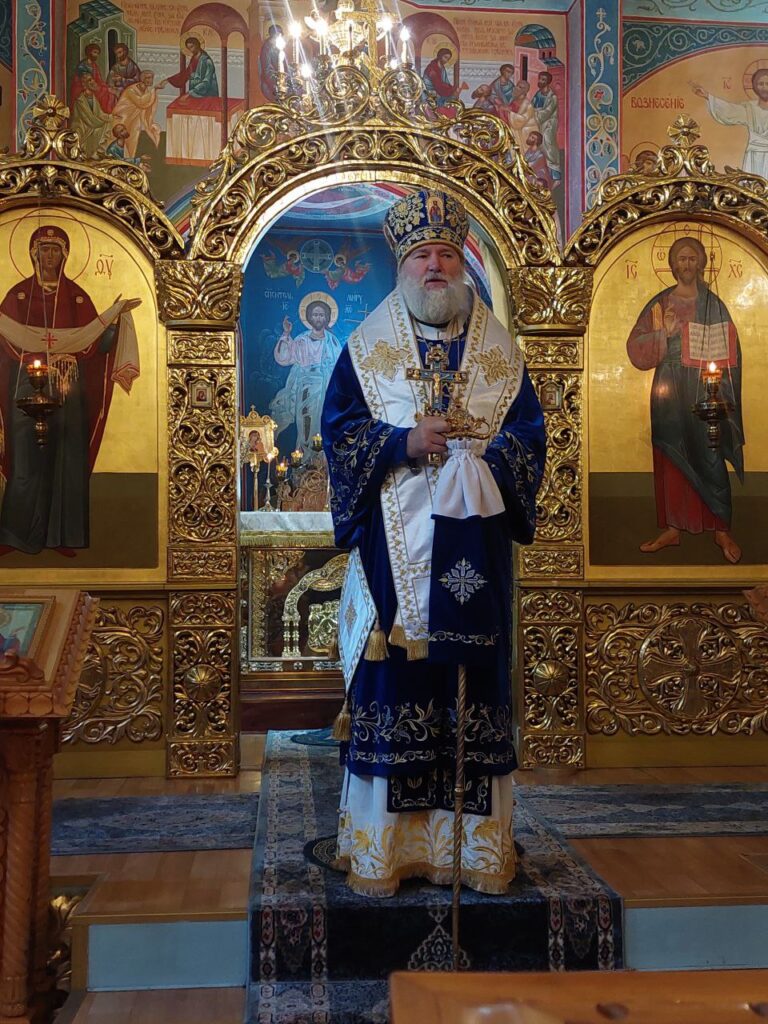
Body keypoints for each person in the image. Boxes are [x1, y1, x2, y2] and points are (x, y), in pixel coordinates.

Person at [321, 189, 546, 897]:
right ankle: (386, 851)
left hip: (474, 553)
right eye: (422, 254)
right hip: (393, 565)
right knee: (399, 682)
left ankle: (471, 849)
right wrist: (402, 442)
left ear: (461, 265)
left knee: (471, 687)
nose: (435, 265)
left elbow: (531, 438)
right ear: (404, 266)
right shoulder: (366, 351)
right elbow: (340, 433)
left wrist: (487, 459)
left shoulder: (500, 355)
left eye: (447, 253)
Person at [0, 226, 142, 555]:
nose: (49, 255)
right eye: (43, 249)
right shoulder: (17, 295)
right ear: (33, 253)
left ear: (65, 255)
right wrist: (35, 356)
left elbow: (94, 344)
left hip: (68, 384)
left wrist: (113, 324)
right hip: (26, 384)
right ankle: (15, 536)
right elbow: (6, 341)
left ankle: (62, 537)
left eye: (55, 249)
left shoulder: (78, 297)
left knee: (68, 457)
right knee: (25, 458)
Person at [626, 236, 744, 563]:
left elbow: (731, 348)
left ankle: (720, 528)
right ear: (673, 264)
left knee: (710, 451)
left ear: (701, 263)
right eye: (682, 259)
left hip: (704, 386)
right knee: (670, 453)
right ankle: (673, 528)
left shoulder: (713, 304)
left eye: (693, 258)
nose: (687, 264)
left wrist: (716, 360)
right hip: (668, 386)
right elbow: (635, 348)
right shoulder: (660, 303)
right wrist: (664, 333)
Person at [270, 296, 342, 453]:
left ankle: (321, 459)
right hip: (304, 388)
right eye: (315, 314)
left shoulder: (332, 341)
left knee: (322, 421)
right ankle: (303, 458)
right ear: (309, 317)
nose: (318, 318)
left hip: (324, 388)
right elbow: (284, 358)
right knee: (305, 421)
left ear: (327, 318)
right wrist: (286, 334)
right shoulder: (302, 339)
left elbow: (339, 367)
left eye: (321, 315)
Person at [691, 69, 768, 177]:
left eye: (767, 84)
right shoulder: (749, 109)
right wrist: (707, 96)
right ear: (755, 86)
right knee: (754, 185)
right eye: (761, 84)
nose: (765, 87)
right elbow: (729, 110)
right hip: (755, 156)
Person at [112, 70, 162, 158]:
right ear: (142, 79)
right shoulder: (131, 90)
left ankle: (129, 159)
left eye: (151, 78)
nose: (150, 80)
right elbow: (140, 102)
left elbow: (147, 104)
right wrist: (154, 90)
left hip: (134, 118)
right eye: (148, 78)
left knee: (132, 139)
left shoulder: (145, 91)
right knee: (120, 138)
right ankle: (118, 159)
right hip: (123, 117)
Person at [70, 73, 112, 157]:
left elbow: (99, 114)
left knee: (110, 123)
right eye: (89, 80)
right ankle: (93, 153)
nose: (93, 82)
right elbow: (89, 119)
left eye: (92, 79)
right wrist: (104, 121)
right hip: (83, 129)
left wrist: (110, 117)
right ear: (84, 84)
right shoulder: (80, 101)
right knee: (103, 127)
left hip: (92, 124)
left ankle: (99, 152)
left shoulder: (93, 97)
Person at [532, 71, 561, 186]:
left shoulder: (552, 97)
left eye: (543, 80)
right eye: (540, 79)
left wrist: (534, 115)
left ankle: (556, 176)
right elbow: (531, 106)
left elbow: (548, 112)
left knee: (548, 144)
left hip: (549, 124)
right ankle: (543, 173)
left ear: (548, 82)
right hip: (538, 122)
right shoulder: (538, 94)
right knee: (538, 144)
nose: (540, 81)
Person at [70, 42, 118, 113]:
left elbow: (99, 80)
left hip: (92, 86)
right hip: (82, 88)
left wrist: (108, 87)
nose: (96, 55)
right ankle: (104, 113)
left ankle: (109, 114)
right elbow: (87, 81)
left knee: (111, 94)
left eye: (97, 53)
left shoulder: (94, 65)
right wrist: (104, 89)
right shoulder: (82, 65)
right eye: (95, 52)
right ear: (89, 52)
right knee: (106, 94)